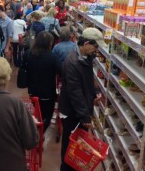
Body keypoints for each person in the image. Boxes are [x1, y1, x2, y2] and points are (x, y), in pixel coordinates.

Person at [59, 28, 106, 171]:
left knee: (77, 144)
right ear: (86, 43)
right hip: (72, 112)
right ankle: (66, 168)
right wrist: (85, 116)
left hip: (79, 111)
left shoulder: (85, 58)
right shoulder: (72, 62)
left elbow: (87, 80)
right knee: (70, 145)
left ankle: (73, 166)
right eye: (95, 46)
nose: (96, 50)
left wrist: (95, 91)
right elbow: (75, 93)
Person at [25, 31, 62, 132]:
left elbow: (24, 67)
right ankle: (39, 133)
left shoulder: (29, 53)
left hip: (33, 90)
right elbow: (61, 71)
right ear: (50, 43)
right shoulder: (52, 57)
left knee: (37, 111)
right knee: (47, 116)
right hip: (48, 93)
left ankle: (34, 128)